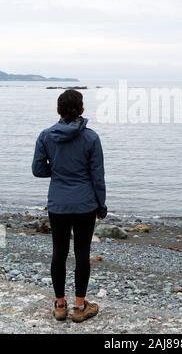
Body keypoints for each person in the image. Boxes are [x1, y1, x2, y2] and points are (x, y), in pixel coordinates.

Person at [32, 89, 107, 323]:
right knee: (82, 253)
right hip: (85, 204)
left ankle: (60, 305)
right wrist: (101, 205)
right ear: (81, 110)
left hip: (58, 204)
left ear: (58, 110)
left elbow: (38, 169)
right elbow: (97, 176)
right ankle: (79, 306)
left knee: (59, 252)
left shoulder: (45, 136)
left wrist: (57, 171)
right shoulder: (91, 138)